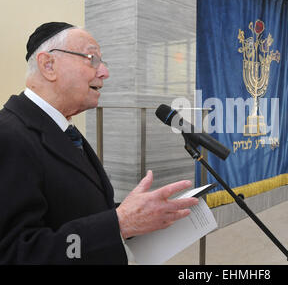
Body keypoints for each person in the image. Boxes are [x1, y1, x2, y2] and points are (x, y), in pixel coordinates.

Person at [0, 22, 199, 264]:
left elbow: (71, 209)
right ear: (48, 65)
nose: (104, 72)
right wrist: (119, 224)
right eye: (92, 59)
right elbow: (15, 254)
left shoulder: (63, 128)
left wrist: (137, 215)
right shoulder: (9, 136)